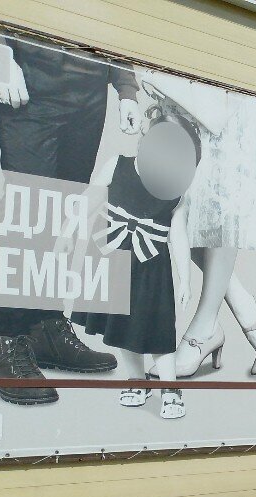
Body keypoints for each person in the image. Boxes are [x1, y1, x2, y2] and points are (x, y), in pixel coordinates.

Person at [0, 34, 139, 405]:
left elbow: (115, 17)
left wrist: (125, 86)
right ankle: (1, 339)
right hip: (30, 76)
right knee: (27, 211)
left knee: (63, 212)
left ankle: (43, 327)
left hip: (89, 87)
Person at [138, 72, 256, 378]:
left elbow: (218, 110)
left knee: (217, 213)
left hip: (221, 102)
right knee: (180, 217)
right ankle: (247, 309)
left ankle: (205, 326)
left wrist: (157, 80)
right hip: (187, 107)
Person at [73, 107, 198, 419]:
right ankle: (136, 380)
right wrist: (68, 236)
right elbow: (89, 202)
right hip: (114, 259)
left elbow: (178, 235)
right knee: (122, 327)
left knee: (157, 330)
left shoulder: (176, 189)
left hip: (152, 269)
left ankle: (170, 388)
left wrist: (185, 278)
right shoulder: (117, 165)